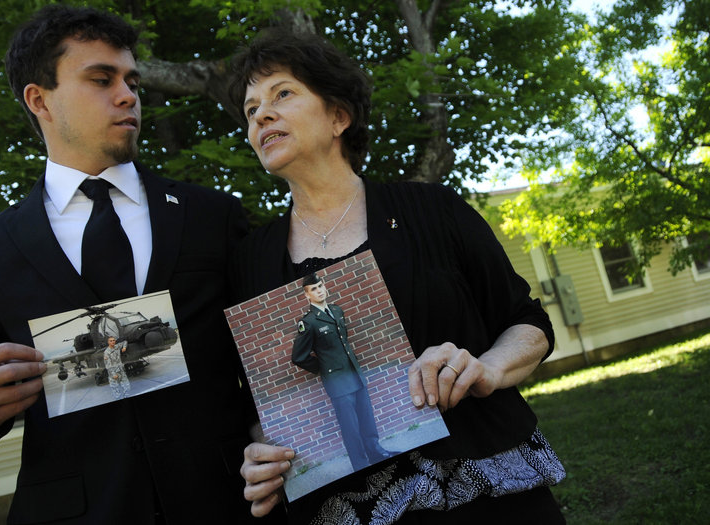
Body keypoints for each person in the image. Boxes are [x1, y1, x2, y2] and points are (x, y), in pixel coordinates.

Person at [0, 5, 274, 524]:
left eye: (132, 80)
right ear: (40, 100)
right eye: (102, 79)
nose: (128, 95)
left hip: (227, 503)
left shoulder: (213, 215)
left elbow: (269, 353)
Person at [228, 30, 567, 523]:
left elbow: (527, 322)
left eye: (282, 93)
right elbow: (267, 400)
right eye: (251, 108)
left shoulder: (434, 210)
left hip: (487, 496)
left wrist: (487, 369)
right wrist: (263, 452)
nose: (261, 114)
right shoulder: (249, 261)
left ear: (339, 116)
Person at [292, 272, 397, 472]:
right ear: (307, 296)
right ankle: (361, 464)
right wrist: (325, 369)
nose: (319, 290)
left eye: (321, 286)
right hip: (338, 382)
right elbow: (298, 356)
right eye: (314, 289)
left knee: (367, 417)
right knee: (351, 427)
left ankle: (376, 452)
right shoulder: (309, 322)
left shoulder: (337, 311)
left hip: (355, 374)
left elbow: (344, 343)